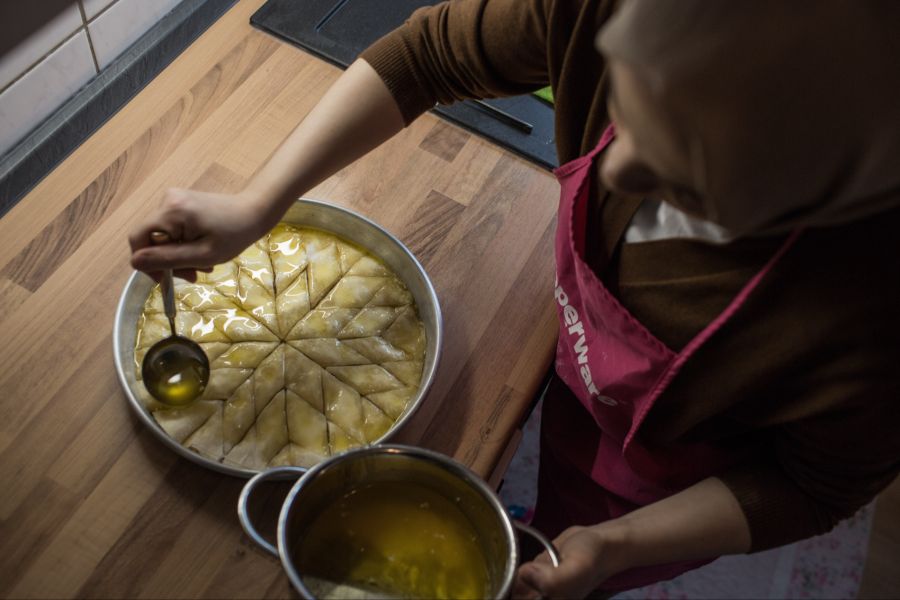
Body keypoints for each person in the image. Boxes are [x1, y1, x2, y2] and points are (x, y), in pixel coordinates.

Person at [130, 1, 900, 598]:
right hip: (580, 385)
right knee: (559, 476)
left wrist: (621, 545)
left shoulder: (870, 323)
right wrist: (261, 201)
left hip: (680, 479)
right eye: (625, 110)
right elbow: (429, 53)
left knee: (586, 544)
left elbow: (810, 486)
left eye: (683, 177)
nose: (616, 174)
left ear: (831, 200)